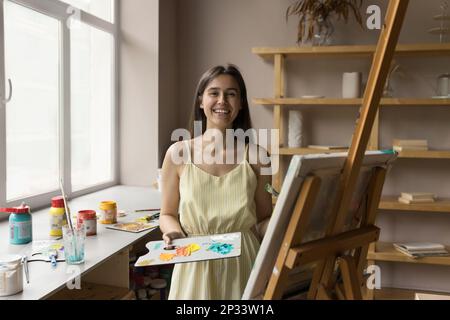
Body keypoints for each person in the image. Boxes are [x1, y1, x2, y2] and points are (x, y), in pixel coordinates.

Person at [160, 64, 273, 300]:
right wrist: (173, 233)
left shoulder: (259, 157)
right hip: (194, 262)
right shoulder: (177, 153)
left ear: (240, 103)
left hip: (243, 264)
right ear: (201, 100)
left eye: (231, 94)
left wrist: (287, 221)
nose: (222, 100)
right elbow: (167, 214)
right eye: (214, 93)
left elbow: (263, 219)